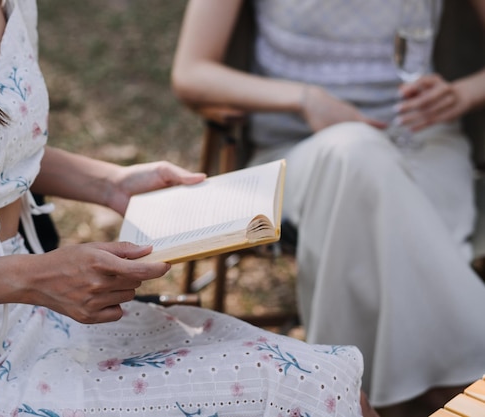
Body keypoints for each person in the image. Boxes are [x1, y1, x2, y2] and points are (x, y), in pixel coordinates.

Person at [0, 0, 381, 416]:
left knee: (330, 389)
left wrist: (111, 184)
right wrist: (32, 278)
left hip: (31, 316)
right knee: (299, 396)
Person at [171, 0, 485, 416]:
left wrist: (463, 92)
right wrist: (304, 98)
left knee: (369, 184)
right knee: (353, 151)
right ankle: (460, 386)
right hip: (299, 154)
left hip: (425, 147)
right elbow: (191, 72)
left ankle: (345, 397)